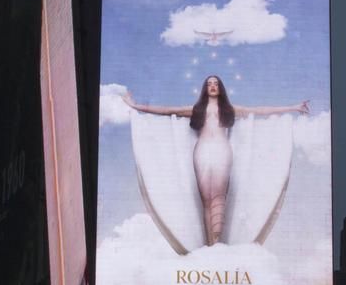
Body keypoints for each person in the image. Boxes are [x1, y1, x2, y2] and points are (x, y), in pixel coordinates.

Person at [122, 75, 308, 246]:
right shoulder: (196, 110)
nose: (212, 86)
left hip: (222, 151)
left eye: (216, 83)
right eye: (209, 84)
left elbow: (259, 110)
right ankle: (211, 245)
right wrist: (135, 105)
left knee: (218, 198)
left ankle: (217, 243)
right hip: (202, 152)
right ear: (205, 88)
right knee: (206, 201)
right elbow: (167, 110)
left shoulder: (230, 110)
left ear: (220, 88)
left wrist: (294, 107)